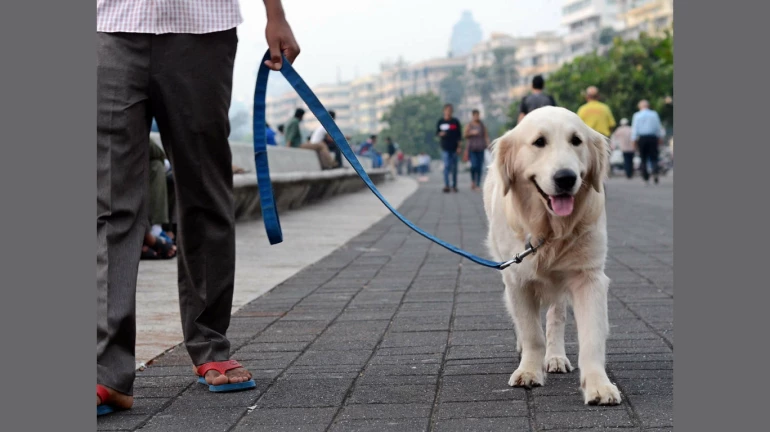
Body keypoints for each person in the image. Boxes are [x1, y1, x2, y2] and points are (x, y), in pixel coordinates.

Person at [96, 0, 300, 416]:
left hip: (202, 29)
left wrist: (275, 14)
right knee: (108, 201)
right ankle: (105, 368)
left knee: (204, 190)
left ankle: (210, 342)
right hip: (108, 25)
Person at [631, 99, 665, 185]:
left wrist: (634, 140)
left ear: (640, 107)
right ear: (648, 106)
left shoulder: (637, 115)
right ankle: (655, 172)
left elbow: (635, 128)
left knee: (643, 158)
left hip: (642, 138)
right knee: (654, 157)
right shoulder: (654, 114)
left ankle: (645, 177)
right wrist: (660, 137)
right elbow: (658, 127)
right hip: (653, 138)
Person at [436, 103, 463, 193]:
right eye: (447, 110)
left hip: (454, 148)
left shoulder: (455, 122)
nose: (448, 112)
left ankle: (454, 185)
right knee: (446, 166)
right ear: (444, 111)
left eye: (450, 110)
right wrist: (441, 134)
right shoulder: (441, 122)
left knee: (454, 168)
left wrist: (459, 147)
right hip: (445, 148)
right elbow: (437, 133)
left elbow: (459, 136)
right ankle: (447, 185)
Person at [463, 109, 490, 191]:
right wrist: (471, 133)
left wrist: (488, 145)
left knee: (479, 167)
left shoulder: (482, 125)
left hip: (481, 148)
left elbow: (486, 136)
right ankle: (473, 180)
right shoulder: (469, 125)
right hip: (472, 148)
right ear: (473, 116)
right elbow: (465, 135)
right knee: (473, 166)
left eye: (478, 115)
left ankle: (478, 184)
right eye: (475, 115)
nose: (476, 117)